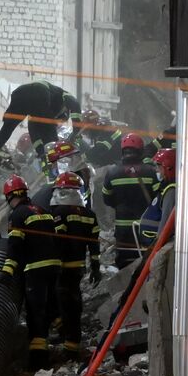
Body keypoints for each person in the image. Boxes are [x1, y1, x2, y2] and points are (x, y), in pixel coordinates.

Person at [1, 175, 65, 370]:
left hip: (35, 268)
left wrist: (7, 270)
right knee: (53, 305)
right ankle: (65, 336)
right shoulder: (42, 210)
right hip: (54, 266)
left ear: (10, 196)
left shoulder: (18, 214)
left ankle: (39, 359)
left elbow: (15, 245)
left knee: (36, 313)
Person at [0, 81, 81, 176]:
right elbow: (75, 104)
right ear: (64, 111)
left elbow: (34, 133)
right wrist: (76, 132)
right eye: (59, 119)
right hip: (39, 91)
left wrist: (41, 153)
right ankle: (54, 173)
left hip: (19, 94)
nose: (57, 122)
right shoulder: (63, 95)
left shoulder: (37, 114)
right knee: (51, 136)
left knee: (4, 133)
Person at [48, 172, 101, 361]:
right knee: (74, 303)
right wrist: (96, 267)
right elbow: (94, 243)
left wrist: (53, 263)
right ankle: (72, 342)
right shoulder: (89, 215)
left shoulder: (59, 213)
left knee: (61, 304)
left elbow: (58, 241)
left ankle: (68, 345)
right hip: (78, 267)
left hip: (61, 268)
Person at [101, 133, 159, 268]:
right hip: (146, 226)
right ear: (140, 150)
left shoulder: (112, 173)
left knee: (124, 261)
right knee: (147, 260)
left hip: (123, 228)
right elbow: (158, 198)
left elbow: (107, 199)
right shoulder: (150, 171)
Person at [138, 148, 177, 246]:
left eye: (159, 167)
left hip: (154, 241)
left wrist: (158, 244)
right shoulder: (165, 186)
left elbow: (166, 223)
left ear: (169, 168)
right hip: (150, 238)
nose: (156, 170)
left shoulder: (171, 191)